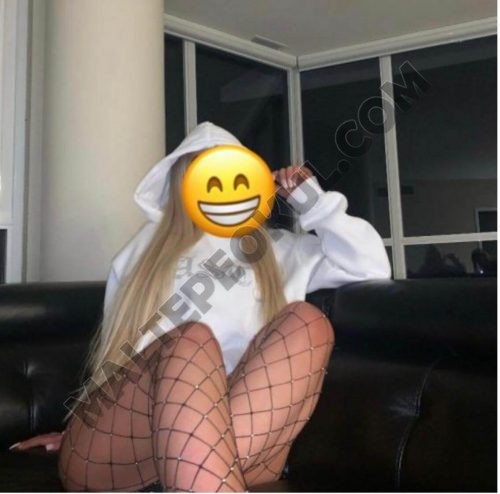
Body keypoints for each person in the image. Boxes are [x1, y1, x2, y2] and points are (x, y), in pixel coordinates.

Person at [9, 122, 391, 492]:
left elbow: (370, 266)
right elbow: (116, 356)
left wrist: (315, 203)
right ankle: (193, 472)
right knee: (191, 340)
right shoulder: (144, 250)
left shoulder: (277, 250)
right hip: (130, 442)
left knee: (308, 322)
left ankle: (191, 473)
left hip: (240, 436)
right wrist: (79, 429)